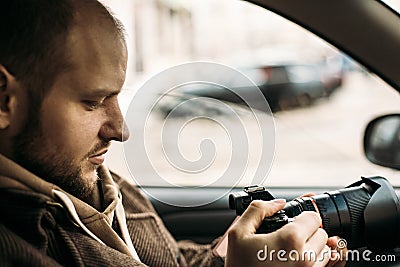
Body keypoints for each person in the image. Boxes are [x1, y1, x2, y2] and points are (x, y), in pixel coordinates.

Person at [0, 0, 345, 266]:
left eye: (117, 97)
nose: (120, 130)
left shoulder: (103, 184)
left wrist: (230, 256)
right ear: (4, 101)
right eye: (92, 101)